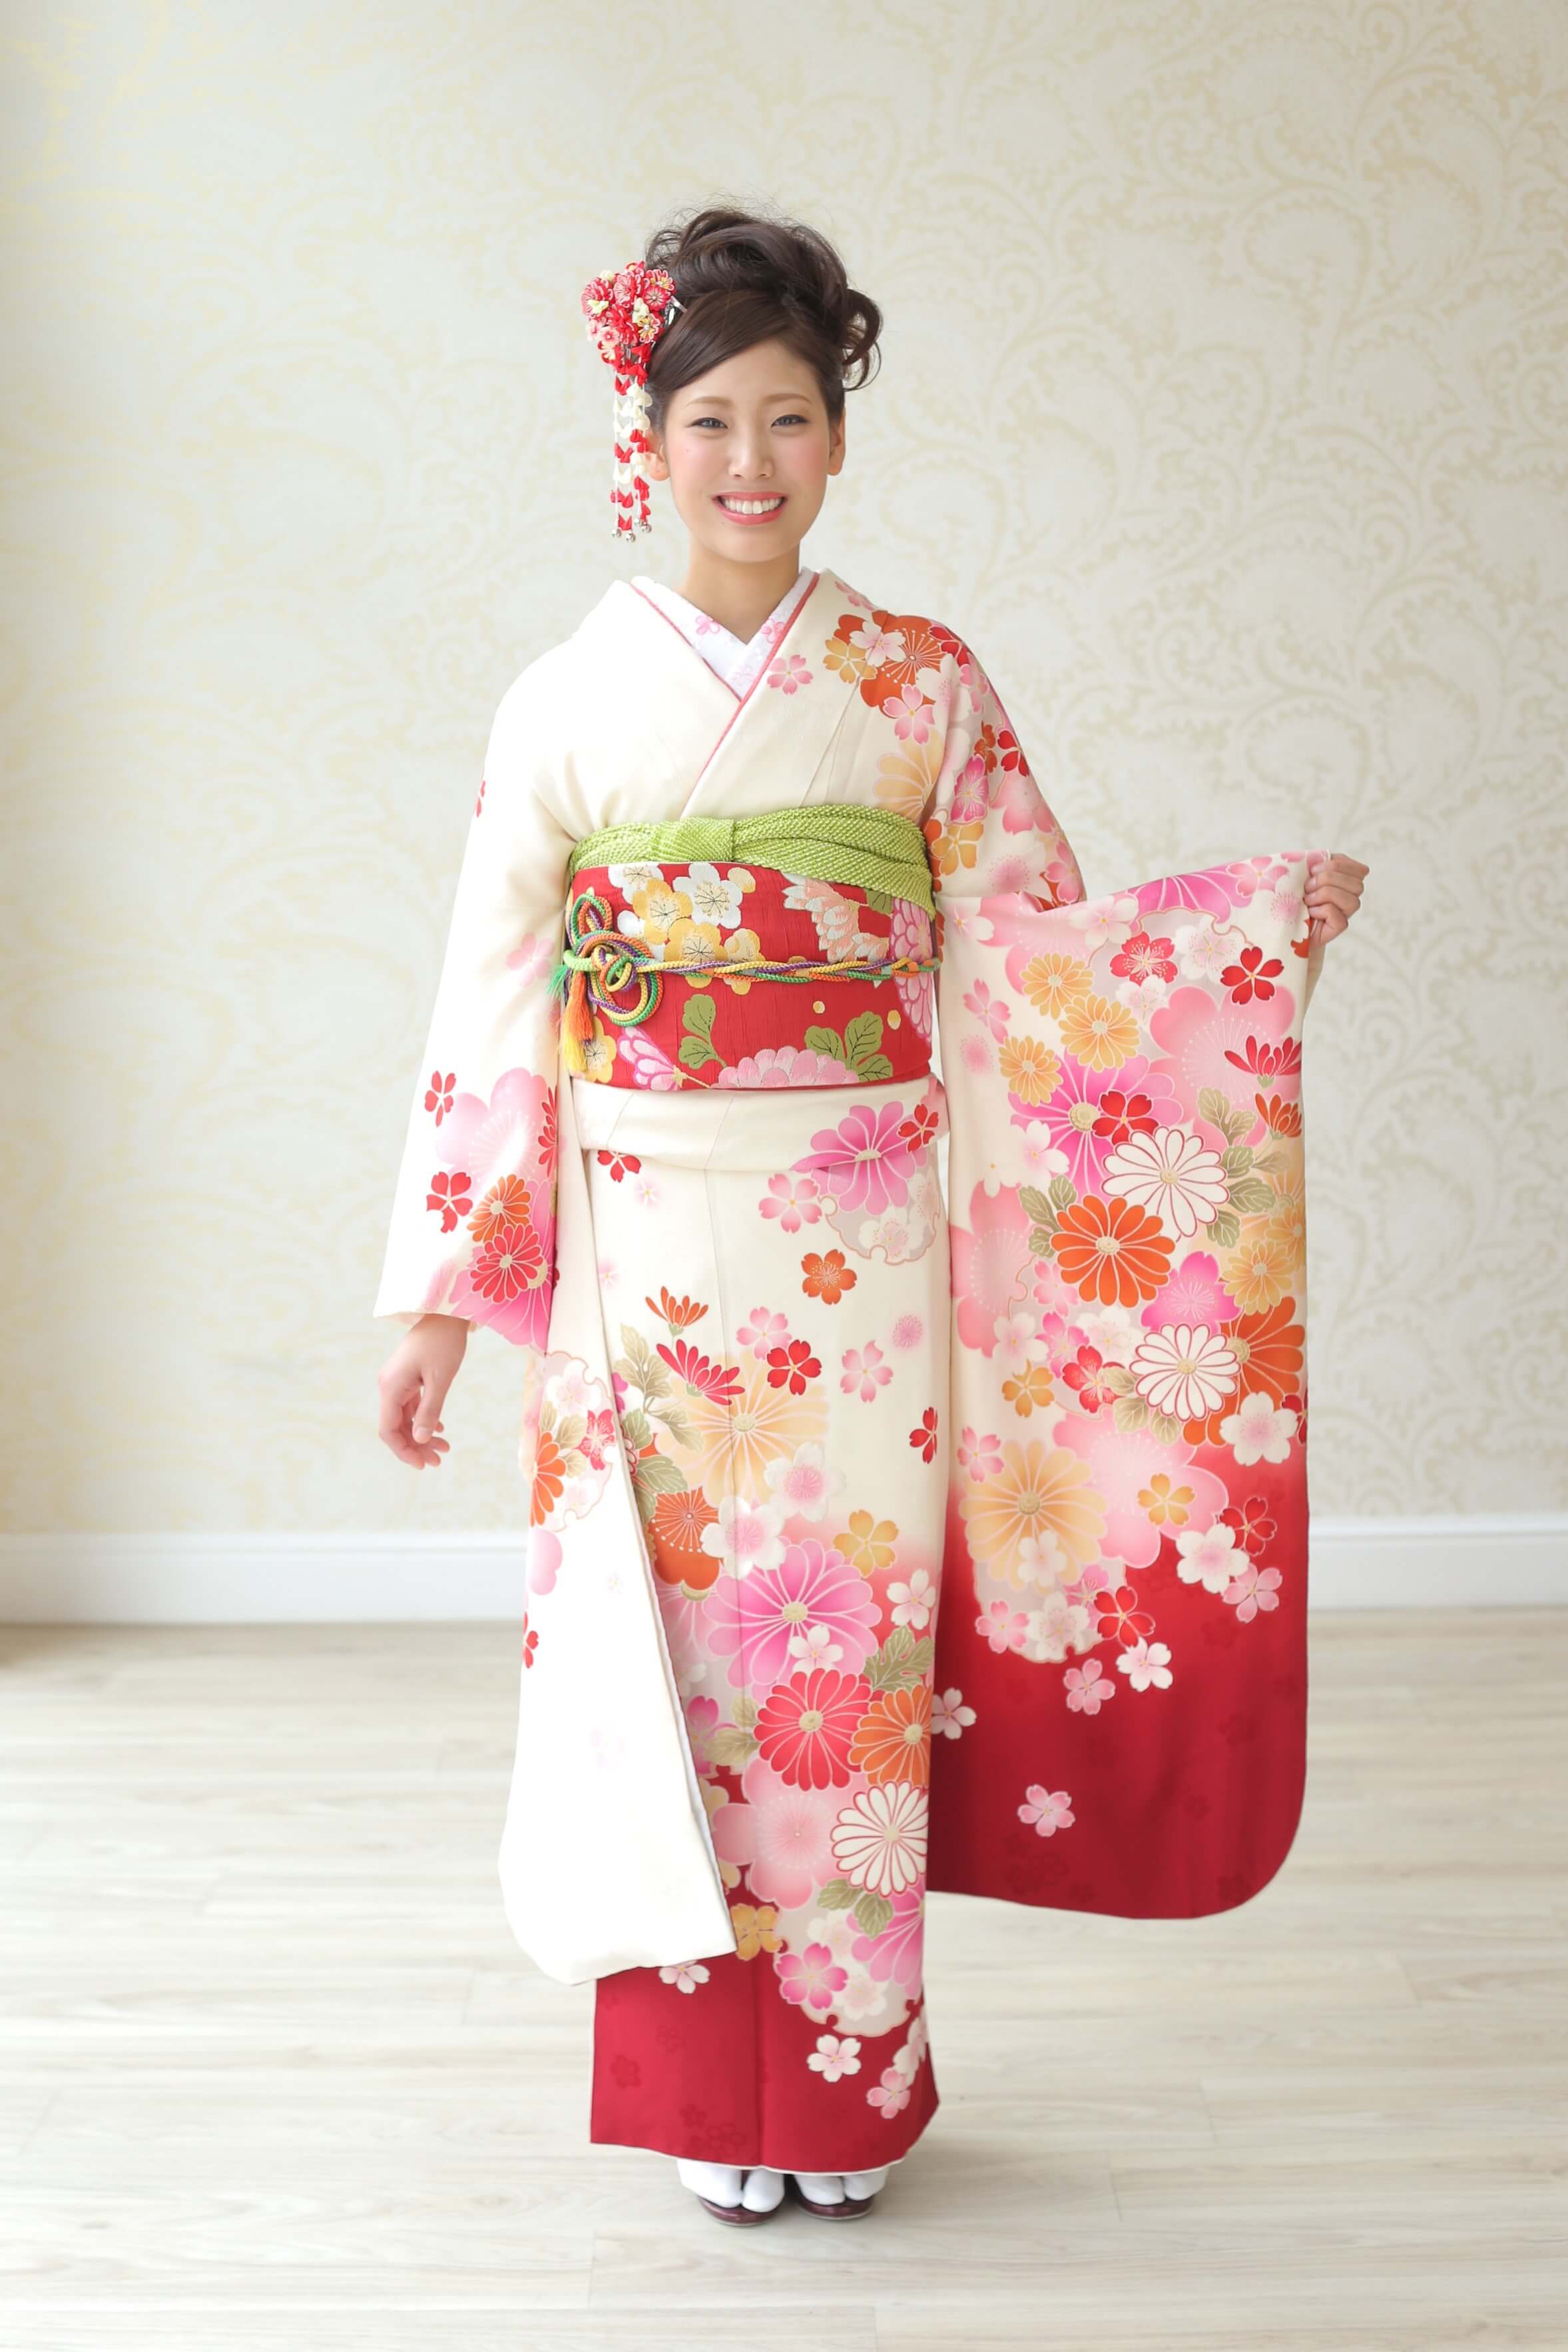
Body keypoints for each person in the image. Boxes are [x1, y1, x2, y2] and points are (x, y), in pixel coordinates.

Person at [373, 204, 1368, 2229]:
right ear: (645, 443)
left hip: (866, 1260)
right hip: (641, 1250)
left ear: (837, 436)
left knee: (836, 1671)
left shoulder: (919, 685)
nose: (750, 462)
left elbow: (1037, 966)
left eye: (790, 419)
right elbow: (491, 1007)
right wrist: (436, 1309)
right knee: (668, 1666)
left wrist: (1238, 942)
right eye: (711, 422)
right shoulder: (560, 702)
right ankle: (695, 2095)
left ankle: (845, 2089)